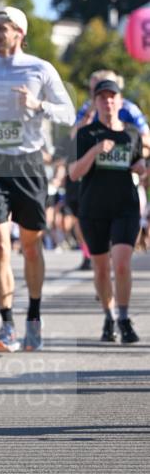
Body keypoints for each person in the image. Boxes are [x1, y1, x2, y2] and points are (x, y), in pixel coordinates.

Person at [0, 6, 76, 352]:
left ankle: (34, 317)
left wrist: (39, 105)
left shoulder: (40, 68)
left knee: (30, 245)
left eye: (2, 28)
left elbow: (68, 114)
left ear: (19, 34)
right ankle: (7, 324)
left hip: (28, 165)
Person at [68, 78, 146, 344]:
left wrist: (141, 169)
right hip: (93, 209)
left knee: (122, 264)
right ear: (95, 102)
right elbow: (74, 173)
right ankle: (108, 316)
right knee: (101, 270)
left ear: (120, 101)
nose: (107, 101)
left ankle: (123, 318)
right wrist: (95, 151)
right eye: (102, 97)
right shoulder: (86, 134)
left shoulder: (132, 133)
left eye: (112, 96)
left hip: (125, 207)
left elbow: (139, 166)